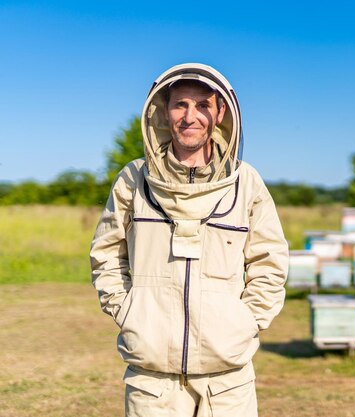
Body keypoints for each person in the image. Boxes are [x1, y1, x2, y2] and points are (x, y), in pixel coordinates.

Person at [90, 63, 289, 417]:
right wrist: (129, 312)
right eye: (180, 104)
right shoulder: (134, 180)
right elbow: (106, 254)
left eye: (202, 105)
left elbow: (269, 262)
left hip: (227, 379)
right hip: (152, 381)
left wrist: (244, 322)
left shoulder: (247, 183)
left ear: (221, 112)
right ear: (164, 111)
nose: (190, 116)